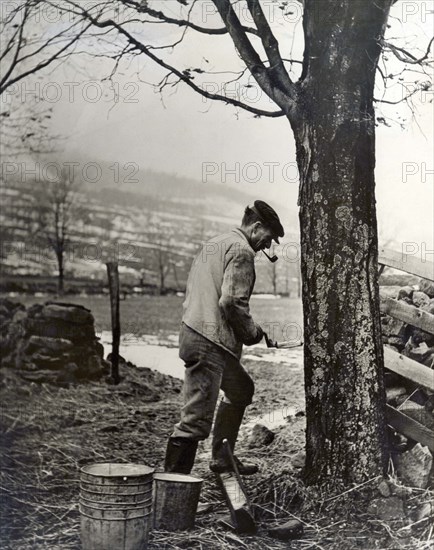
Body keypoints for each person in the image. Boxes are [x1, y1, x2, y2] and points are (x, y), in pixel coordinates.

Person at [164, 200, 285, 475]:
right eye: (268, 239)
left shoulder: (217, 242)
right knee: (195, 418)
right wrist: (252, 332)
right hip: (209, 342)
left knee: (241, 389)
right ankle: (173, 489)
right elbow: (231, 302)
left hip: (201, 335)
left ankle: (222, 457)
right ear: (256, 227)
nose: (268, 246)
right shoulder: (242, 251)